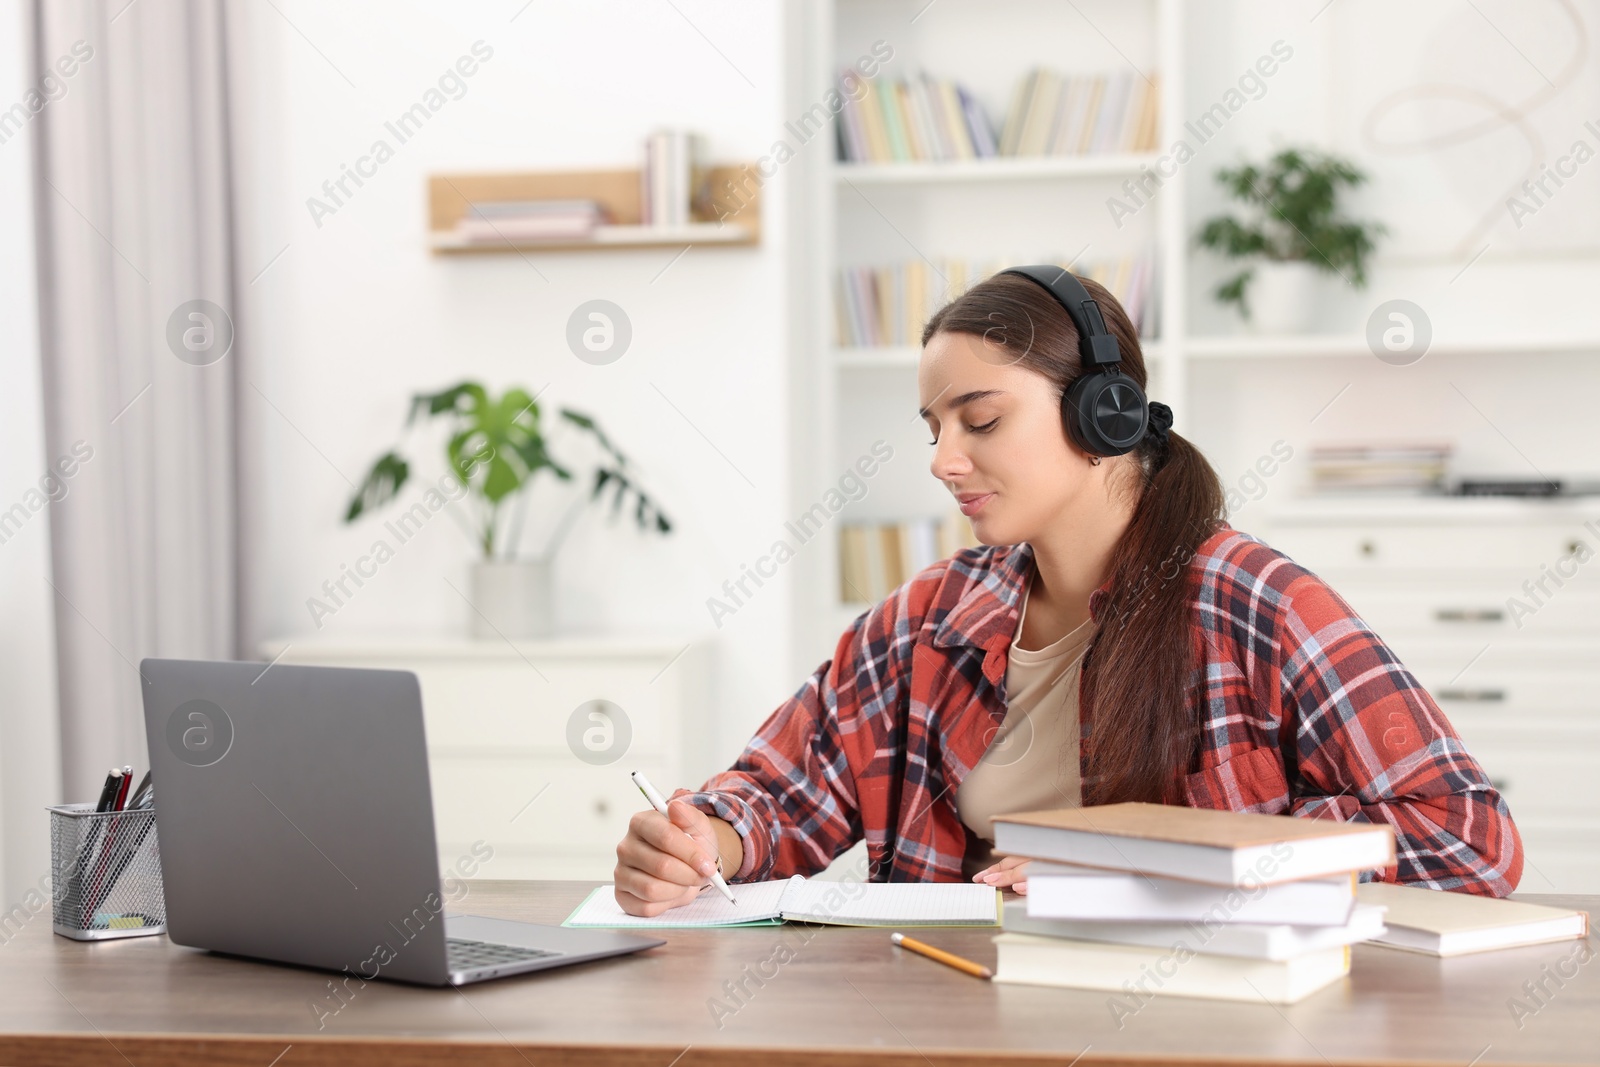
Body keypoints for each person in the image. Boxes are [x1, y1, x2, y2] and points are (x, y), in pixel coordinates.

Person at [612, 268, 1523, 917]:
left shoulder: (1254, 601)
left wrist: (1159, 865)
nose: (943, 459)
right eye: (934, 427)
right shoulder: (930, 618)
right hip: (950, 1010)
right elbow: (786, 788)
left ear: (1105, 414)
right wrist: (707, 845)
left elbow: (1468, 835)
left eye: (982, 419)